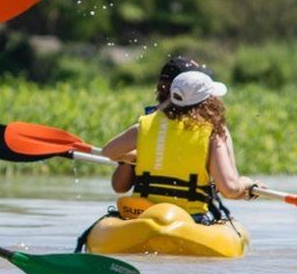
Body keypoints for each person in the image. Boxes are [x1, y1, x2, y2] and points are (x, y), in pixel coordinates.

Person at [100, 56, 258, 224]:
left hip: (141, 214)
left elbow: (107, 152)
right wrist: (247, 185)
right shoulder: (212, 132)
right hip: (189, 218)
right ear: (209, 101)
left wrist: (138, 155)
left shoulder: (145, 125)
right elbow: (230, 188)